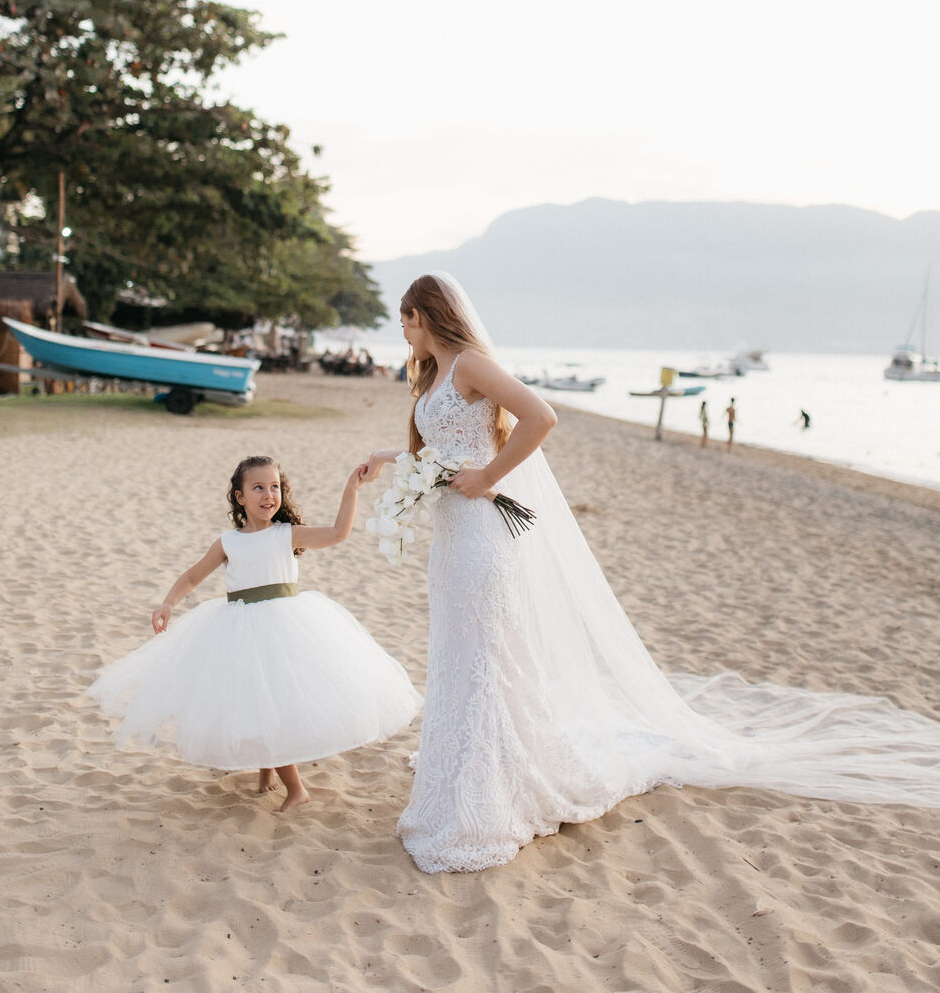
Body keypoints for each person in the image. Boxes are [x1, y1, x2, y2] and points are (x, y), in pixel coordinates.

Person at [359, 272, 940, 874]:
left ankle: (485, 801)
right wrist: (389, 459)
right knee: (458, 653)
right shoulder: (432, 377)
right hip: (451, 540)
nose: (403, 333)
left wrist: (489, 477)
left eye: (406, 320)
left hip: (482, 537)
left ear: (425, 315)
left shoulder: (472, 366)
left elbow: (541, 417)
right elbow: (444, 452)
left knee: (484, 655)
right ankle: (460, 780)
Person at [87, 455, 421, 811]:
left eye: (275, 487)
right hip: (241, 629)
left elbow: (339, 533)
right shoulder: (228, 542)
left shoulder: (286, 534)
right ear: (239, 496)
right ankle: (268, 773)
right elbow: (192, 576)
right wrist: (168, 602)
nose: (268, 494)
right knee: (257, 698)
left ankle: (296, 789)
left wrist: (351, 489)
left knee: (272, 698)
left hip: (286, 627)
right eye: (258, 487)